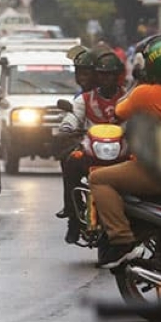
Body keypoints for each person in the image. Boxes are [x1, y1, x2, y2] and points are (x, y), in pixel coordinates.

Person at [90, 36, 161, 269]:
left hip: (155, 172)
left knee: (99, 179)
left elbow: (119, 110)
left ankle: (122, 241)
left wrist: (138, 80)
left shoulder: (145, 93)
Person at [55, 50, 126, 244]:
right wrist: (67, 128)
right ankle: (73, 213)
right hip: (90, 152)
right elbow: (73, 117)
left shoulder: (128, 97)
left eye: (111, 75)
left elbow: (137, 118)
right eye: (102, 74)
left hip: (121, 154)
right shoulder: (84, 99)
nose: (106, 79)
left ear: (118, 75)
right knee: (70, 161)